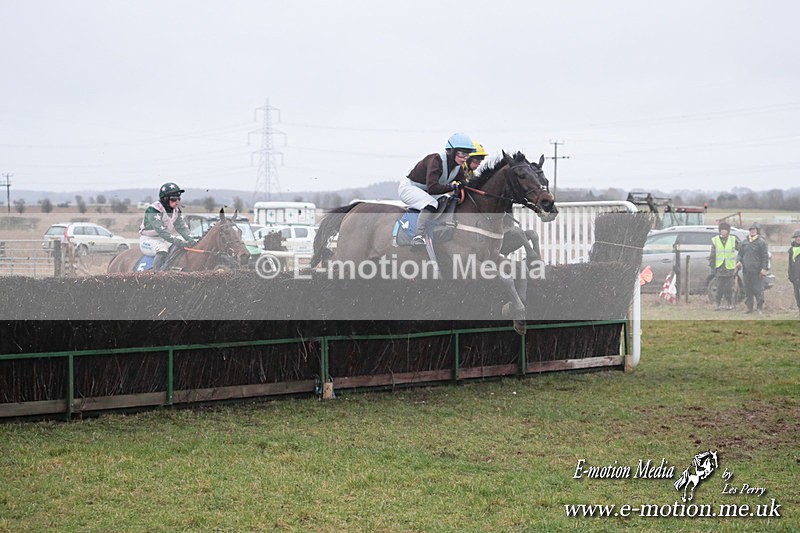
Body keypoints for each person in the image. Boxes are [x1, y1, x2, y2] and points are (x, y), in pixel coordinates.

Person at [399, 132, 474, 247]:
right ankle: (418, 236)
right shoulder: (436, 160)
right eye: (462, 153)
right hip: (410, 188)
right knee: (431, 203)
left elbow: (465, 183)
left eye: (467, 154)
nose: (465, 158)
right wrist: (453, 187)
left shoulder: (457, 167)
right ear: (452, 151)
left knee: (446, 200)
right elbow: (433, 188)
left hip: (425, 191)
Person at [139, 182, 196, 270]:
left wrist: (191, 240)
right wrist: (177, 241)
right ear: (165, 199)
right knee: (162, 248)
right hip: (148, 240)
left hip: (164, 239)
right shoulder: (153, 210)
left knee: (181, 241)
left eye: (178, 198)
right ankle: (156, 275)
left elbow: (182, 228)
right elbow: (160, 231)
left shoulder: (176, 211)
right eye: (173, 198)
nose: (177, 201)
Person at [737, 222, 769, 314]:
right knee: (748, 290)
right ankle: (749, 308)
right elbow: (740, 254)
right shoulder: (745, 242)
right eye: (751, 230)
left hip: (757, 271)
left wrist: (764, 268)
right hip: (746, 271)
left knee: (758, 290)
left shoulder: (761, 242)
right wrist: (738, 261)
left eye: (754, 230)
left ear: (757, 231)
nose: (752, 231)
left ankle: (759, 308)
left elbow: (765, 257)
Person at [708, 221, 738, 310]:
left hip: (729, 268)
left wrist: (739, 261)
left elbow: (741, 249)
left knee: (728, 289)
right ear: (720, 231)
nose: (724, 232)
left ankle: (729, 304)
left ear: (728, 231)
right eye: (722, 230)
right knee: (719, 288)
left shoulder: (733, 240)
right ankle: (717, 304)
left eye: (725, 230)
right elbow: (712, 255)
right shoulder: (715, 240)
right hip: (719, 268)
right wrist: (712, 267)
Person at [789, 229, 800, 315]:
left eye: (799, 237)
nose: (798, 238)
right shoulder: (792, 249)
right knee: (797, 295)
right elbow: (790, 264)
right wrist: (790, 275)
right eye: (797, 237)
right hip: (795, 276)